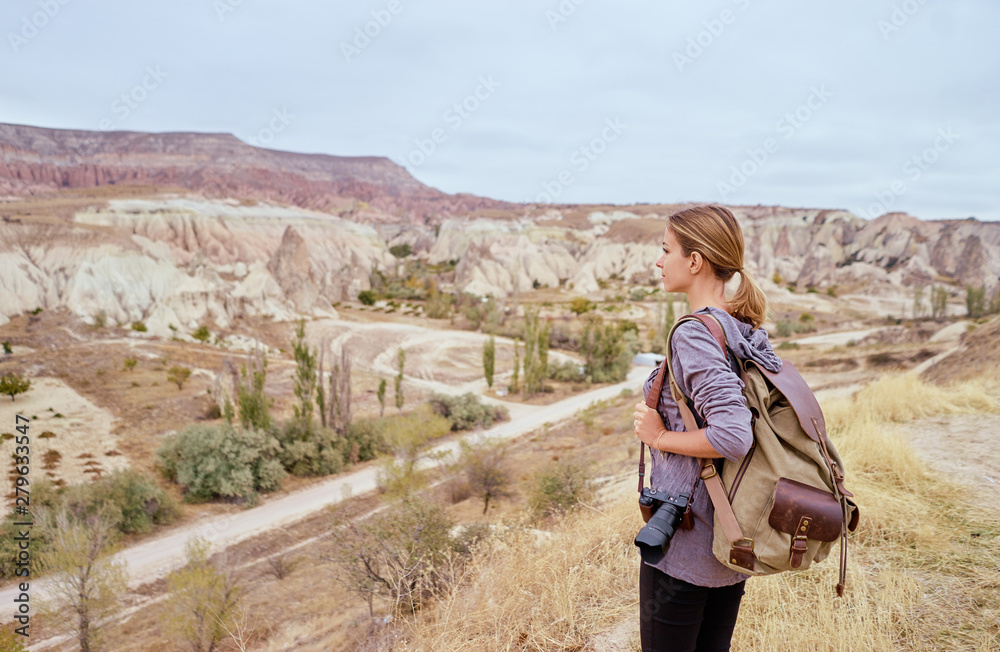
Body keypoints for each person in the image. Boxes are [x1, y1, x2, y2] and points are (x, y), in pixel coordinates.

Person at [631, 205, 782, 652]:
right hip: (729, 531)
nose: (659, 261)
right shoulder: (740, 327)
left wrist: (658, 437)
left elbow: (734, 435)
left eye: (666, 250)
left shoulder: (694, 334)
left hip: (687, 540)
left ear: (694, 261)